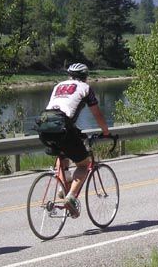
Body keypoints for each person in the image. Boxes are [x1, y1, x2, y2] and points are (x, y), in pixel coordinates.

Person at [38, 63, 110, 218]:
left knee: (63, 153)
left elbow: (62, 109)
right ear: (85, 76)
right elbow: (97, 114)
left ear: (69, 75)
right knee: (84, 164)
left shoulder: (58, 86)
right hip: (63, 127)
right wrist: (106, 132)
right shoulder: (85, 88)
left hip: (45, 126)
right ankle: (70, 197)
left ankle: (62, 186)